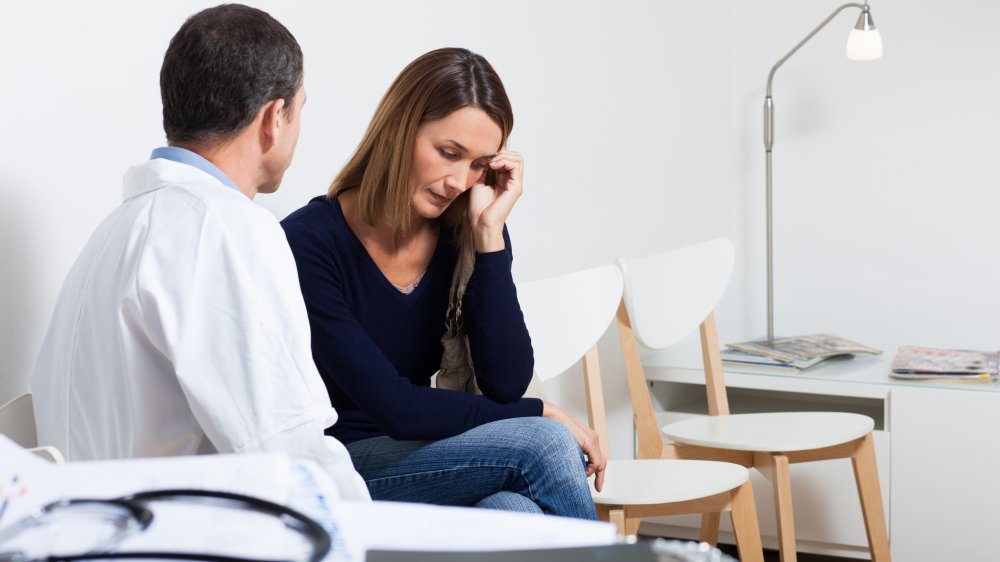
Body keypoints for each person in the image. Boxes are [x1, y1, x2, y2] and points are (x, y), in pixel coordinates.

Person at [31, 4, 368, 500]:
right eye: (300, 109)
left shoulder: (112, 235)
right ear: (275, 118)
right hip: (187, 537)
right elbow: (288, 451)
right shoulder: (226, 228)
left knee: (506, 504)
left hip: (97, 530)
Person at [281, 47, 605, 518]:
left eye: (478, 164)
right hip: (338, 465)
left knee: (513, 511)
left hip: (426, 452)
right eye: (448, 153)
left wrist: (490, 237)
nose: (459, 180)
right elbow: (395, 407)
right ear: (399, 129)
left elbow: (505, 383)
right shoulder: (308, 242)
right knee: (544, 443)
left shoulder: (465, 230)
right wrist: (540, 412)